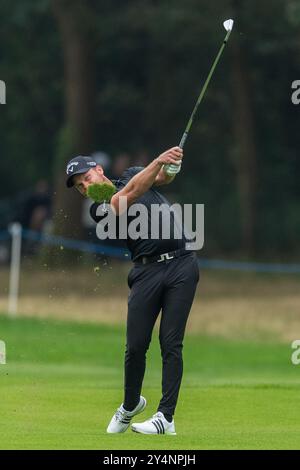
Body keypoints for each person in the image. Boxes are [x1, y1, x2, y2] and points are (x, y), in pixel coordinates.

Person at [65, 147, 200, 435]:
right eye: (80, 187)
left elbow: (159, 178)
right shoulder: (99, 207)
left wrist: (170, 167)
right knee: (136, 346)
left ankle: (166, 417)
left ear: (99, 170)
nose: (86, 187)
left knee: (171, 343)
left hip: (182, 264)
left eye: (87, 178)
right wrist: (158, 162)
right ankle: (130, 405)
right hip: (146, 272)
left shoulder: (130, 173)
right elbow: (131, 194)